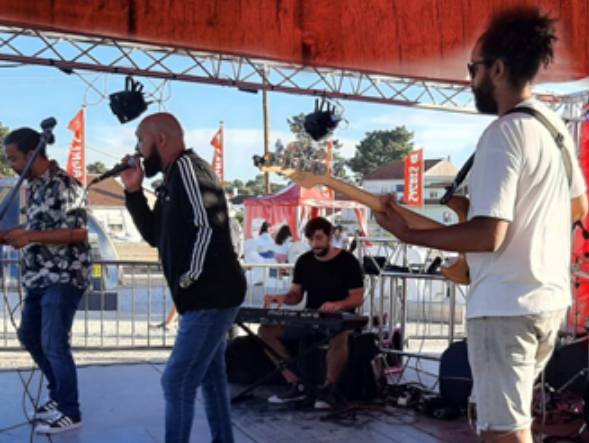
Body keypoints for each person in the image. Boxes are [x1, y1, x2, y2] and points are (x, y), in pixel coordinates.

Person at [374, 7, 588, 443]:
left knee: (503, 433)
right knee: (513, 424)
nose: (469, 79)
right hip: (546, 301)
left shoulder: (503, 134)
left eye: (473, 69)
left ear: (498, 69)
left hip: (505, 307)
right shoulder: (554, 129)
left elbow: (489, 234)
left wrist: (408, 234)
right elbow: (578, 207)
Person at [120, 113, 246, 443]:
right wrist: (133, 191)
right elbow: (154, 235)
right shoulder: (172, 178)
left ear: (161, 139)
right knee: (211, 376)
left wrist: (190, 279)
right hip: (207, 295)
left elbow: (207, 226)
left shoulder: (188, 169)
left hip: (209, 295)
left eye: (141, 140)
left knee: (176, 381)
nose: (138, 149)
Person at [1, 128, 92, 434]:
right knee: (30, 336)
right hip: (39, 277)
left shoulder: (66, 183)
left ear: (32, 155)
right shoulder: (35, 187)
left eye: (14, 158)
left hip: (63, 275)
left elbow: (79, 232)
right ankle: (58, 395)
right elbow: (40, 228)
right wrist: (12, 234)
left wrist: (29, 236)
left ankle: (70, 411)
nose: (11, 165)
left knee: (54, 343)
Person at [259, 217, 364, 409]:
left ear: (330, 237)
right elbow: (296, 295)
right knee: (266, 331)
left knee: (339, 336)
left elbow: (357, 298)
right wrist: (282, 298)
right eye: (311, 239)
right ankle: (296, 383)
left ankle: (328, 389)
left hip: (339, 319)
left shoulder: (348, 261)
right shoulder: (304, 261)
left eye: (319, 238)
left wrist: (337, 305)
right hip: (310, 317)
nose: (315, 244)